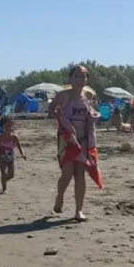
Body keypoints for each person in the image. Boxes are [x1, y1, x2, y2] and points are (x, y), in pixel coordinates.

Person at [52, 65, 99, 222]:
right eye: (77, 76)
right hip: (66, 140)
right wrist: (59, 116)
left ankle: (79, 210)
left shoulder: (89, 96)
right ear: (70, 79)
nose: (80, 79)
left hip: (84, 140)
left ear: (87, 80)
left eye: (84, 76)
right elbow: (51, 110)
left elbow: (92, 113)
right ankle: (60, 196)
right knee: (67, 172)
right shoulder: (63, 96)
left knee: (80, 175)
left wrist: (93, 116)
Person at [0, 116, 26, 193]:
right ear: (2, 127)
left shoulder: (14, 137)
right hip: (2, 159)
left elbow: (19, 147)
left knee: (11, 175)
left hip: (11, 159)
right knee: (3, 173)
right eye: (6, 126)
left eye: (10, 126)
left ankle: (4, 180)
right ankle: (3, 189)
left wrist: (23, 154)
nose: (8, 128)